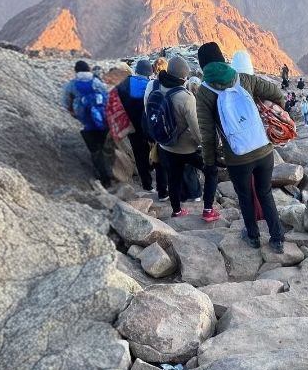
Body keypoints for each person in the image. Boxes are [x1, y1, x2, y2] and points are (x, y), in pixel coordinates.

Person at [195, 42, 287, 253]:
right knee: (265, 193)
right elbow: (276, 93)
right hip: (263, 150)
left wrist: (210, 163)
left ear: (202, 65)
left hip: (237, 157)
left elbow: (207, 135)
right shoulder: (244, 79)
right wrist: (274, 118)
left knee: (245, 197)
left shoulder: (204, 92)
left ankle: (253, 237)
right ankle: (277, 239)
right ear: (222, 58)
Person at [147, 55, 221, 221]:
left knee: (174, 178)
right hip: (187, 149)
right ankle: (208, 210)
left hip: (166, 145)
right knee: (212, 171)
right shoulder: (186, 97)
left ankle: (177, 211)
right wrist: (210, 148)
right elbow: (197, 130)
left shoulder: (157, 88)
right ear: (183, 77)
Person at [63, 60, 113, 188]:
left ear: (76, 71)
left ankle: (104, 179)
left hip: (87, 124)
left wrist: (74, 113)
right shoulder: (97, 82)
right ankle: (112, 174)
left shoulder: (72, 85)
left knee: (95, 151)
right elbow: (108, 98)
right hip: (104, 121)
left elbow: (65, 102)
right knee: (105, 148)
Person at [115, 58, 160, 194]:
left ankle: (147, 184)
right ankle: (160, 181)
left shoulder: (123, 84)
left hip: (131, 127)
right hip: (149, 128)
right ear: (149, 72)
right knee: (154, 151)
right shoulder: (151, 85)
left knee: (139, 154)